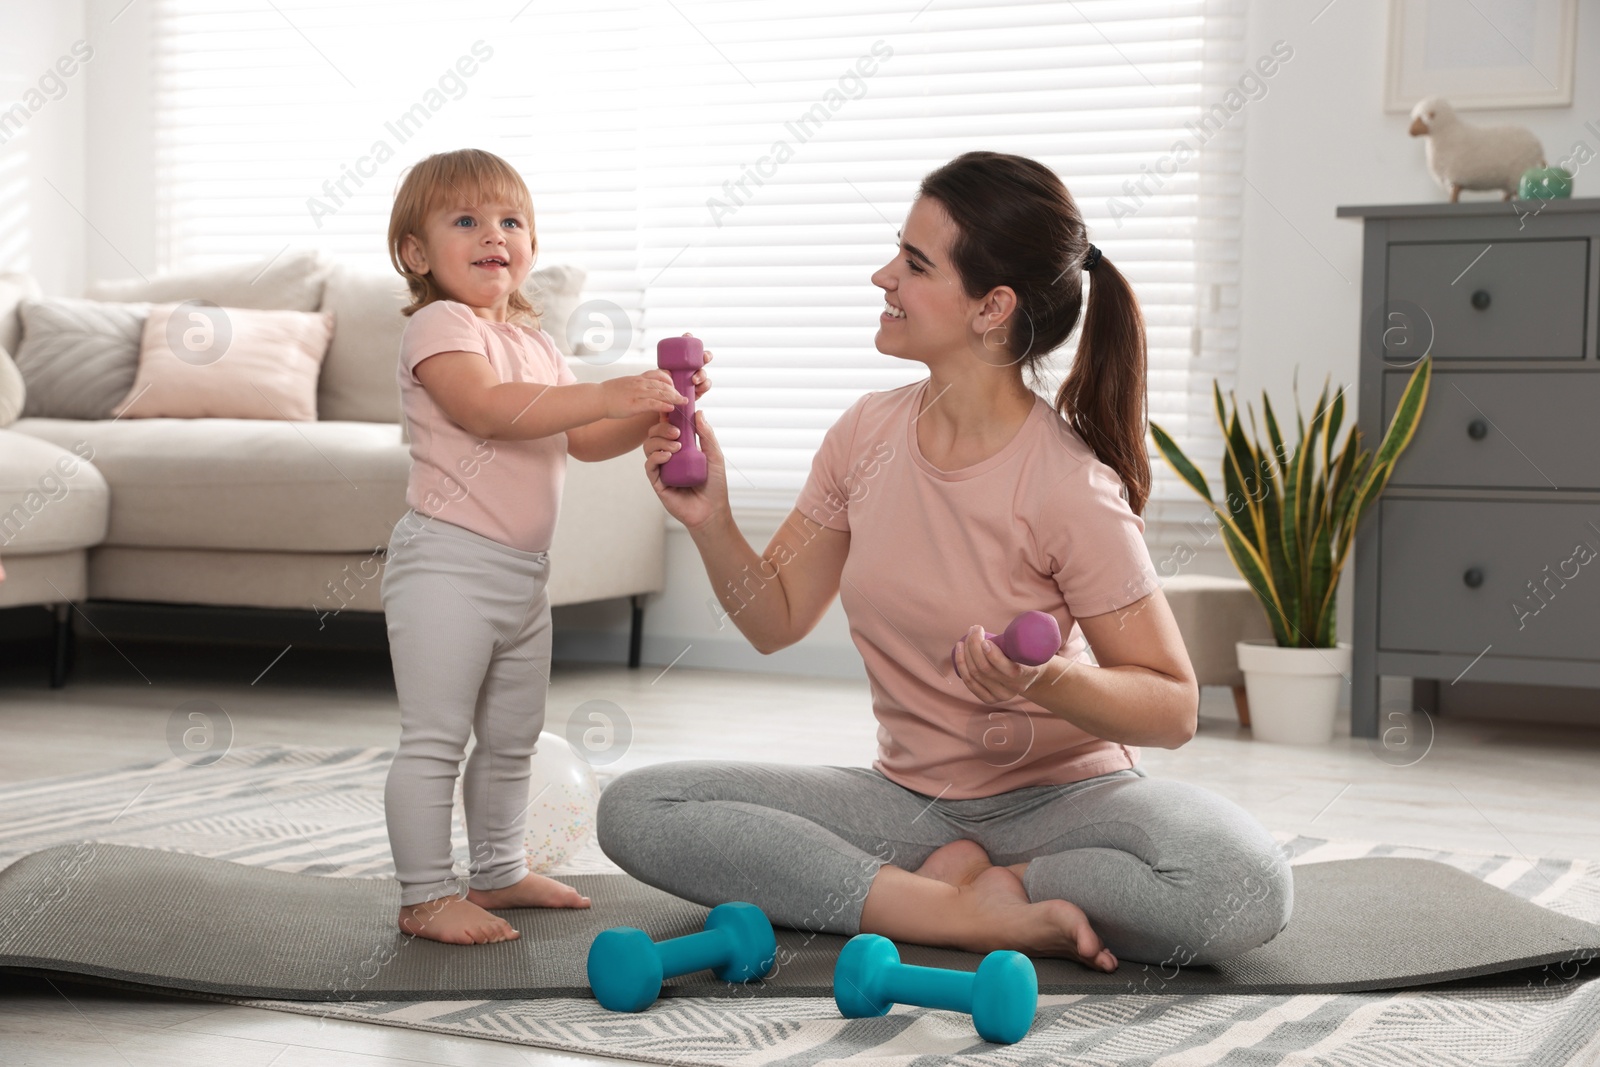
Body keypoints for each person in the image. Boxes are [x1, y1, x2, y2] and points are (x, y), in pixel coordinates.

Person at [598, 151, 1292, 971]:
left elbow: (1173, 707)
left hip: (1066, 802)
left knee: (1244, 884)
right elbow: (774, 619)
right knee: (639, 807)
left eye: (915, 263)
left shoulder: (1068, 484)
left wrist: (1050, 682)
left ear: (991, 308)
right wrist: (710, 518)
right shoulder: (864, 436)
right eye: (898, 251)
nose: (881, 275)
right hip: (908, 804)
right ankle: (953, 912)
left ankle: (1001, 884)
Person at [380, 148, 711, 944]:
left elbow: (584, 437)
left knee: (512, 736)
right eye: (466, 220)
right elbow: (488, 409)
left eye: (510, 220)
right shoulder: (440, 326)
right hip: (447, 567)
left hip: (524, 576)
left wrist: (654, 410)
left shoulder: (534, 343)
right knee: (435, 737)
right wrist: (603, 388)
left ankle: (496, 870)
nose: (494, 234)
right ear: (418, 254)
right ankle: (425, 895)